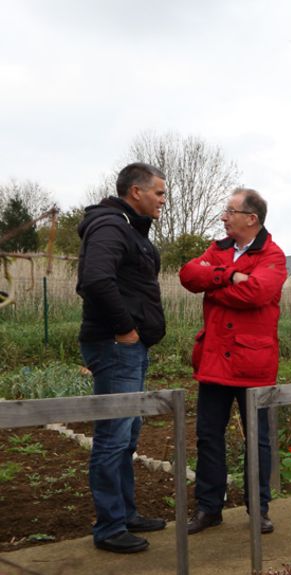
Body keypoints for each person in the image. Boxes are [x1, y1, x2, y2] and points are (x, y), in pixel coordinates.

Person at [178, 188, 287, 535]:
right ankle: (210, 508)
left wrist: (212, 284)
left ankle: (259, 508)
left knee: (259, 440)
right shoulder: (218, 249)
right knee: (209, 436)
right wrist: (227, 276)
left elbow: (257, 293)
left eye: (229, 211)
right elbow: (188, 275)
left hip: (252, 365)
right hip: (214, 361)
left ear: (251, 219)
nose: (223, 217)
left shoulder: (273, 255)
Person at [76, 162, 169, 554]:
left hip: (129, 348)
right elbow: (95, 279)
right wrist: (125, 329)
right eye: (159, 193)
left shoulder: (128, 228)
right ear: (136, 192)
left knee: (127, 434)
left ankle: (125, 513)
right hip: (117, 347)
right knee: (113, 438)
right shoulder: (111, 226)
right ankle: (109, 526)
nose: (163, 200)